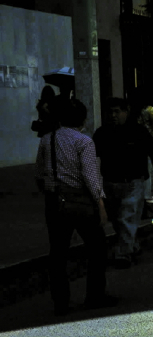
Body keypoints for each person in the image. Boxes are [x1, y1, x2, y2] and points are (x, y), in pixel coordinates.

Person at [35, 98, 114, 315]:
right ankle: (95, 296)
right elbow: (90, 176)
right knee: (97, 248)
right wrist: (100, 203)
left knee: (58, 253)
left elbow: (39, 174)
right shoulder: (84, 142)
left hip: (54, 201)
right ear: (83, 119)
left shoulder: (47, 140)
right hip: (80, 201)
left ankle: (61, 301)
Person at [93, 97, 153, 268]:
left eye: (117, 111)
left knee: (127, 217)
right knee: (118, 219)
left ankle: (123, 254)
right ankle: (131, 245)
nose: (113, 115)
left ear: (126, 112)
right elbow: (93, 158)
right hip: (110, 183)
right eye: (110, 112)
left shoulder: (139, 132)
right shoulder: (102, 133)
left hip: (133, 182)